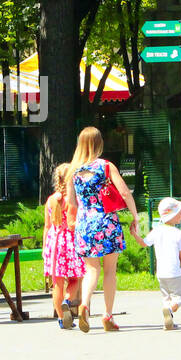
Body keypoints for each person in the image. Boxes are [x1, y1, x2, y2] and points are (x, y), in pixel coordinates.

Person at [65, 126, 139, 332]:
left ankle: (85, 304)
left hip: (84, 224)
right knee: (110, 271)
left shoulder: (74, 171)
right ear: (99, 143)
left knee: (91, 269)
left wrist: (75, 224)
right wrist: (135, 217)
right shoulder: (106, 167)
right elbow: (124, 192)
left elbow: (71, 204)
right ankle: (107, 315)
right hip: (106, 222)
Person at [42, 163, 84, 329]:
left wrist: (45, 247)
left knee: (57, 282)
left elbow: (47, 225)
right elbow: (73, 224)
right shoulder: (73, 199)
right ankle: (68, 300)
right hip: (69, 241)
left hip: (54, 241)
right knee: (74, 278)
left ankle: (60, 318)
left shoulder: (51, 200)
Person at [145, 197, 181, 330]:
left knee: (166, 297)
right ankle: (170, 310)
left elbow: (144, 242)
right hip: (175, 272)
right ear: (173, 215)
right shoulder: (178, 233)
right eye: (179, 213)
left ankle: (168, 320)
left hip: (161, 274)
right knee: (180, 297)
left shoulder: (156, 231)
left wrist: (134, 234)